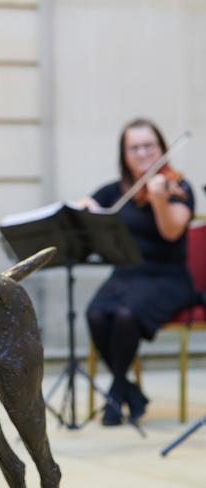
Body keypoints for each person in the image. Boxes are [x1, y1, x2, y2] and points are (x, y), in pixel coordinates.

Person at [78, 118, 195, 426]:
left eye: (149, 146)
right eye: (135, 148)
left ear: (161, 149)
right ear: (124, 155)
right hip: (126, 276)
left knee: (127, 316)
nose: (143, 153)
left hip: (167, 277)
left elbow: (171, 232)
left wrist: (158, 200)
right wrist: (86, 210)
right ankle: (129, 390)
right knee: (96, 315)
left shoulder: (178, 187)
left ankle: (116, 395)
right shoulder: (114, 191)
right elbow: (88, 209)